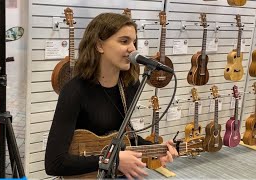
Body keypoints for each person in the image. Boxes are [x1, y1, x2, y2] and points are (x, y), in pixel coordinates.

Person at [45, 13, 178, 179]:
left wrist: (157, 149)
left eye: (133, 42)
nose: (133, 49)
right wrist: (112, 160)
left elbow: (123, 136)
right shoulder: (74, 91)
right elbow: (54, 163)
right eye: (124, 41)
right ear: (99, 46)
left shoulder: (130, 85)